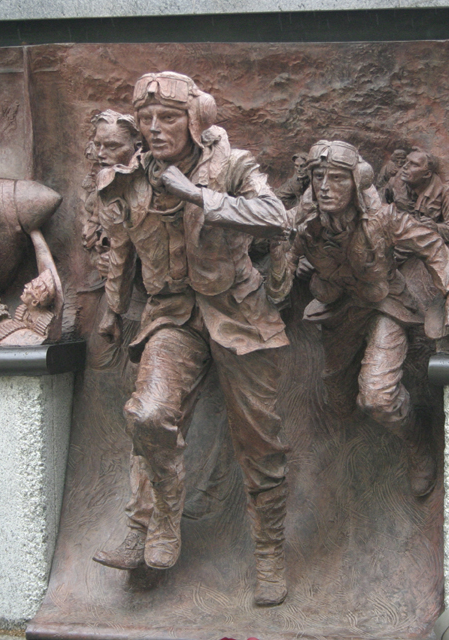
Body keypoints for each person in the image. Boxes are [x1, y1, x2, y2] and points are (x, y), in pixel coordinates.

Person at [92, 71, 292, 607]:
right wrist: (112, 312)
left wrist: (199, 196)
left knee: (261, 446)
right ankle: (159, 525)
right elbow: (121, 251)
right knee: (148, 414)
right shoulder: (127, 179)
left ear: (195, 120)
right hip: (173, 318)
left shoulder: (231, 164)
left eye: (169, 118)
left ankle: (270, 552)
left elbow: (278, 219)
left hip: (239, 316)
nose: (155, 129)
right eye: (147, 119)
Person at [270, 140, 449, 497]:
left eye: (336, 179)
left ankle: (417, 441)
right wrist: (282, 244)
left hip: (385, 306)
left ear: (356, 182)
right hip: (339, 311)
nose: (326, 187)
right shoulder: (305, 225)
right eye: (318, 178)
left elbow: (431, 245)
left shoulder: (382, 219)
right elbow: (279, 282)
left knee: (376, 397)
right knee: (341, 403)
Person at [81, 110, 142, 275]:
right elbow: (90, 239)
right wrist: (101, 259)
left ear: (137, 146)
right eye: (98, 144)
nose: (101, 154)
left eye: (112, 146)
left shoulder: (149, 186)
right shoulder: (96, 185)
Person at [385, 147, 449, 245]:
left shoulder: (444, 193)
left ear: (427, 174)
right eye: (407, 161)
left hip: (427, 248)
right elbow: (380, 210)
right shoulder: (394, 183)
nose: (405, 166)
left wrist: (436, 228)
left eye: (414, 164)